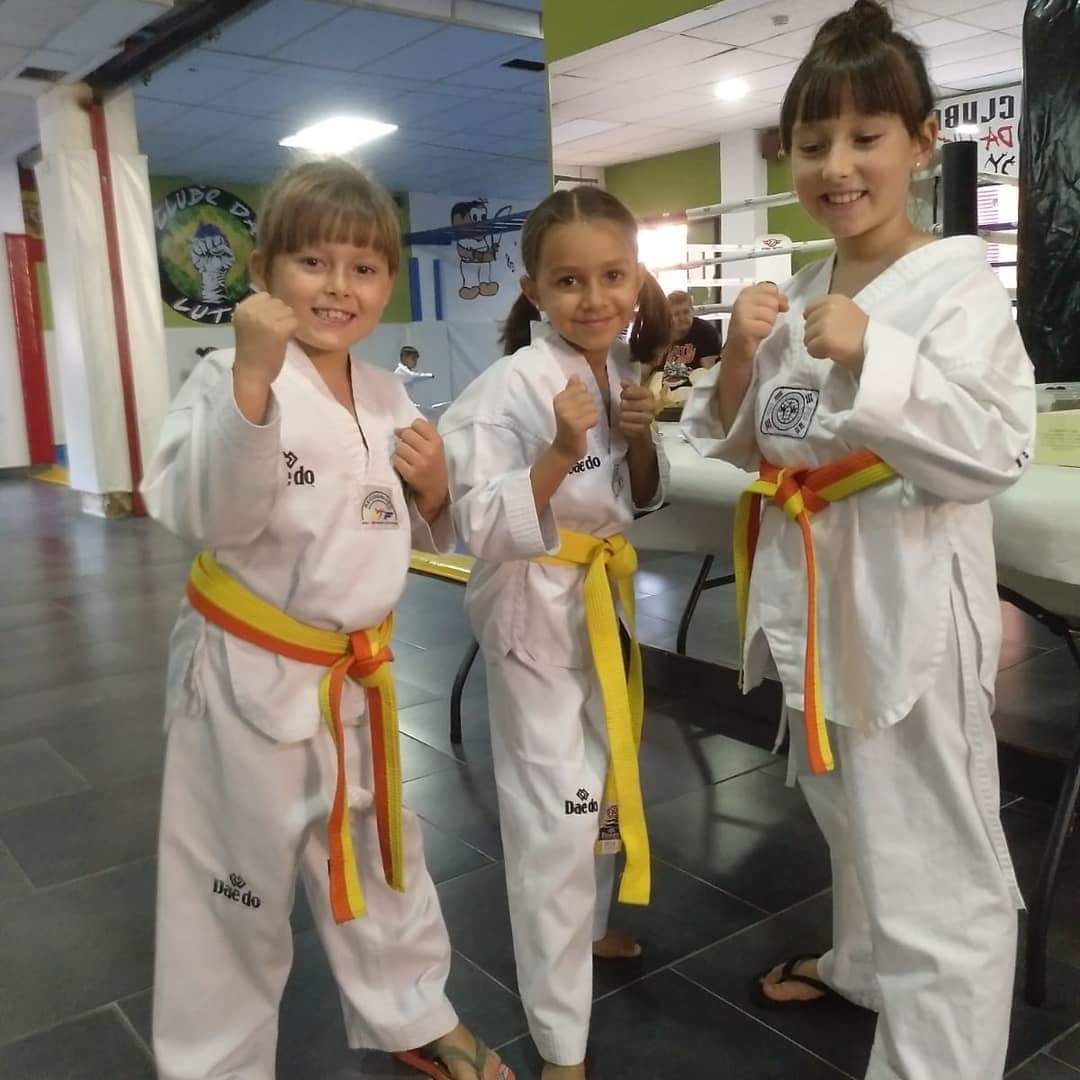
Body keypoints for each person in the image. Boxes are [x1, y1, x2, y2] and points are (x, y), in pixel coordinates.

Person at [681, 3, 1035, 1077]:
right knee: (855, 818)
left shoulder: (957, 288)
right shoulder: (802, 291)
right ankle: (866, 966)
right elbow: (762, 444)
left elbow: (996, 449)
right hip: (818, 598)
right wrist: (740, 364)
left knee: (939, 870)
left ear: (922, 143)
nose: (836, 166)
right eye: (812, 142)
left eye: (865, 137)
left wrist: (877, 350)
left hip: (907, 605)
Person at [142, 160, 513, 1080]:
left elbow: (394, 525)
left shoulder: (387, 394)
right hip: (248, 675)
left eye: (364, 268)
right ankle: (213, 1064)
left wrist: (435, 491)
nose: (338, 286)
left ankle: (412, 1012)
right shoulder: (223, 376)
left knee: (385, 849)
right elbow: (207, 515)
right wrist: (252, 382)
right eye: (312, 262)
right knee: (233, 881)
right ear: (262, 272)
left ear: (388, 282)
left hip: (358, 679)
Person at [439, 187, 670, 1080]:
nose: (595, 297)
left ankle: (594, 924)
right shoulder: (506, 388)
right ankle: (560, 1036)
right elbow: (473, 522)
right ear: (534, 289)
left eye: (613, 276)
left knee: (601, 774)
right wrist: (556, 454)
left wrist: (638, 439)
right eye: (570, 281)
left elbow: (637, 496)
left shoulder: (616, 370)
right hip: (534, 611)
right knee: (552, 819)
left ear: (637, 278)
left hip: (598, 600)